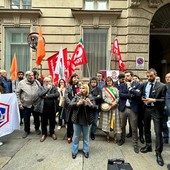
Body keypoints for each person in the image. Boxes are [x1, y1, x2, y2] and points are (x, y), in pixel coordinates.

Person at [140, 68, 166, 166]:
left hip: (156, 110)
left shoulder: (162, 86)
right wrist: (142, 98)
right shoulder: (145, 84)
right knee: (146, 129)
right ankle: (148, 145)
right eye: (147, 76)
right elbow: (142, 95)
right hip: (146, 109)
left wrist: (154, 100)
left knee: (158, 132)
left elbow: (163, 100)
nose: (149, 78)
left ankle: (158, 153)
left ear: (155, 75)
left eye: (151, 76)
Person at [118, 71, 141, 154]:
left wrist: (130, 89)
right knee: (122, 125)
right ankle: (122, 139)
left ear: (131, 76)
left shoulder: (137, 84)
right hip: (123, 108)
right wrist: (130, 95)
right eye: (125, 76)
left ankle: (135, 144)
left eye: (128, 76)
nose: (126, 77)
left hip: (133, 109)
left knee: (134, 127)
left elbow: (138, 94)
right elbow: (120, 95)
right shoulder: (122, 85)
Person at [70, 83, 95, 159]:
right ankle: (74, 151)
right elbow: (70, 105)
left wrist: (90, 104)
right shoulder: (77, 96)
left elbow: (95, 107)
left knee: (86, 137)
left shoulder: (90, 97)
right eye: (80, 88)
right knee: (76, 136)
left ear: (87, 89)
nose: (81, 89)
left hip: (86, 120)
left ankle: (86, 151)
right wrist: (77, 104)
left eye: (83, 88)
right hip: (77, 119)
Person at [16, 71, 41, 138]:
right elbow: (17, 94)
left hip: (36, 104)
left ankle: (37, 129)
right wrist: (19, 103)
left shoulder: (37, 82)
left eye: (32, 75)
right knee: (26, 119)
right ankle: (26, 130)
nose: (31, 76)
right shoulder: (21, 83)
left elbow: (40, 91)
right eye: (29, 75)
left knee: (36, 118)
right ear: (26, 76)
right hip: (26, 104)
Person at [34, 77, 60, 142]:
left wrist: (48, 96)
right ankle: (44, 134)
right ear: (44, 82)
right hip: (43, 108)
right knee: (43, 122)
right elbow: (40, 94)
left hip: (52, 108)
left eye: (49, 81)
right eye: (46, 81)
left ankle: (52, 133)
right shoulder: (41, 88)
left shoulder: (54, 87)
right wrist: (47, 89)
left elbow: (57, 94)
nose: (48, 83)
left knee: (52, 121)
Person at [99, 76, 120, 143]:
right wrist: (110, 102)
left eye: (110, 81)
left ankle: (115, 136)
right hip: (107, 107)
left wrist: (115, 102)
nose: (109, 82)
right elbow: (104, 97)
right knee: (107, 122)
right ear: (106, 82)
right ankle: (107, 135)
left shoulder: (116, 89)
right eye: (108, 81)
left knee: (115, 122)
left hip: (115, 107)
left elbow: (118, 97)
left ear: (112, 82)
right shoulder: (104, 89)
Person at [64, 73, 80, 144]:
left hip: (77, 106)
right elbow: (66, 96)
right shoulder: (68, 86)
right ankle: (68, 136)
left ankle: (74, 135)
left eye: (77, 78)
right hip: (70, 106)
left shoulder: (79, 86)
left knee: (75, 122)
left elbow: (81, 95)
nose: (76, 79)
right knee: (69, 121)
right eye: (74, 78)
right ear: (72, 78)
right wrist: (71, 103)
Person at [162, 73, 170, 144]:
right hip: (164, 108)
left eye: (169, 77)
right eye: (166, 77)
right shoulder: (164, 86)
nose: (167, 78)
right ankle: (166, 137)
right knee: (164, 123)